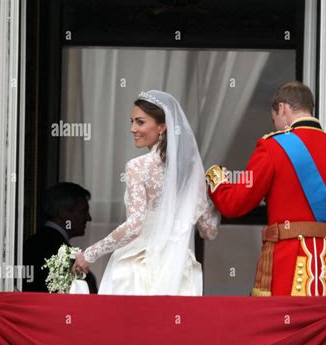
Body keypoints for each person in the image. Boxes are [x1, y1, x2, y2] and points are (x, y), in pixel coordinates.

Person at [205, 81, 326, 296]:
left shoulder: (272, 147)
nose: (275, 126)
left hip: (287, 270)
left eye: (274, 119)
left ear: (282, 108)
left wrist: (217, 179)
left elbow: (236, 203)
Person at [74, 90, 220, 295]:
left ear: (162, 127)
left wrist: (89, 253)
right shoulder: (191, 171)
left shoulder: (137, 166)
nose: (133, 128)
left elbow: (134, 226)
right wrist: (219, 195)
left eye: (140, 122)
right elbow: (209, 231)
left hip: (138, 270)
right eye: (132, 121)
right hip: (178, 272)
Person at [23, 182, 98, 293]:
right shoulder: (53, 248)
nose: (88, 218)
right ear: (64, 213)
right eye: (83, 211)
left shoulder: (36, 242)